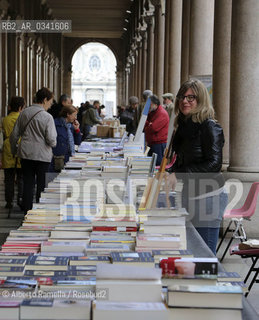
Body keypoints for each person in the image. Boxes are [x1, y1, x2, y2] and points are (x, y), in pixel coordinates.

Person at [167, 79, 228, 254]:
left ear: (201, 99)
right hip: (190, 194)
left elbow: (214, 164)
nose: (185, 101)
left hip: (209, 196)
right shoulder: (183, 126)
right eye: (182, 97)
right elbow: (182, 160)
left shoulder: (210, 126)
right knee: (192, 251)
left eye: (191, 97)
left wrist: (179, 174)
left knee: (205, 256)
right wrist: (170, 171)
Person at [10, 87, 57, 214]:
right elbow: (52, 140)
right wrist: (53, 143)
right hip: (42, 156)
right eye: (50, 102)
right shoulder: (47, 117)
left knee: (28, 183)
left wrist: (14, 150)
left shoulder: (24, 113)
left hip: (25, 154)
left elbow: (14, 135)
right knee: (41, 185)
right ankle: (40, 211)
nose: (50, 105)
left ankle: (27, 211)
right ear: (45, 100)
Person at [2, 96, 25, 209]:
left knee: (9, 178)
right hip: (21, 146)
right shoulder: (22, 118)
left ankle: (9, 201)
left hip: (7, 148)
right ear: (21, 107)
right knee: (21, 177)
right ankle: (20, 198)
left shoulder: (5, 119)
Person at [50, 105, 82, 171]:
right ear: (68, 114)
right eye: (74, 115)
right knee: (55, 179)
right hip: (57, 159)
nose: (75, 118)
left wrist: (77, 130)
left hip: (68, 157)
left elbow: (78, 142)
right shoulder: (55, 124)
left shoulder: (71, 126)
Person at [144, 95, 169, 165]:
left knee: (157, 164)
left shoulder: (162, 113)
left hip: (158, 143)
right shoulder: (153, 112)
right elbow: (144, 122)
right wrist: (149, 124)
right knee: (151, 164)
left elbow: (153, 128)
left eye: (150, 104)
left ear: (156, 104)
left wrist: (148, 126)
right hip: (152, 142)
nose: (148, 106)